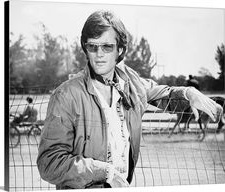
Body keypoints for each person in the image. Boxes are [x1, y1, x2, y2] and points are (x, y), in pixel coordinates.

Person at [37, 10, 222, 189]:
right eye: (92, 46)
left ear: (120, 49)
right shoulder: (66, 95)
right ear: (85, 48)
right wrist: (105, 172)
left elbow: (164, 94)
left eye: (107, 46)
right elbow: (49, 162)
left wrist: (189, 93)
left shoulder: (131, 83)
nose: (99, 54)